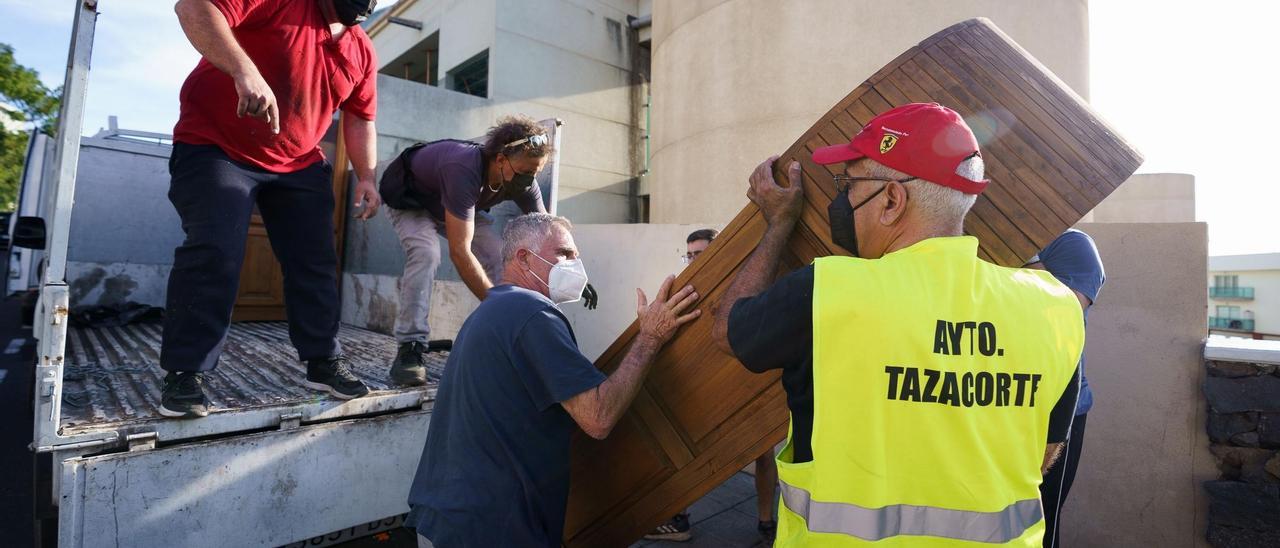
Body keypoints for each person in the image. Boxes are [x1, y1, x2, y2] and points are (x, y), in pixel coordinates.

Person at [710, 103, 1085, 546]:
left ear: (891, 200)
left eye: (847, 185)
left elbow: (727, 329)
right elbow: (1042, 454)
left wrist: (777, 224)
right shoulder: (1053, 306)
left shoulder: (828, 290)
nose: (839, 201)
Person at [405, 213, 700, 547]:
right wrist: (650, 338)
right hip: (490, 530)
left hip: (449, 520)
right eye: (565, 254)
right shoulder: (533, 314)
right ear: (524, 258)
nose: (577, 264)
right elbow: (598, 416)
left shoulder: (492, 310)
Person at [160, 0, 382, 418]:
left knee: (314, 262)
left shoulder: (362, 49)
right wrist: (245, 70)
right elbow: (192, 7)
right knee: (216, 253)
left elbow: (360, 116)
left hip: (298, 161)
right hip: (216, 145)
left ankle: (322, 362)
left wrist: (367, 176)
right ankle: (185, 372)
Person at [379, 115, 597, 387]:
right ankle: (410, 346)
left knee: (497, 255)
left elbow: (548, 232)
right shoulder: (463, 167)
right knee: (426, 253)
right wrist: (500, 306)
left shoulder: (524, 182)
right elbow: (460, 252)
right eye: (525, 172)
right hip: (413, 201)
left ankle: (512, 340)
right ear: (501, 159)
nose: (529, 180)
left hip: (458, 206)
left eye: (536, 173)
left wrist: (575, 271)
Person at [646, 228, 778, 545]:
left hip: (746, 376)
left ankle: (766, 522)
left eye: (700, 254)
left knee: (762, 451)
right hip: (704, 383)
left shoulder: (746, 283)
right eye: (689, 255)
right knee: (686, 449)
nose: (693, 261)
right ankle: (679, 519)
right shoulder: (684, 287)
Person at [1026, 230, 1104, 548]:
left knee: (1041, 520)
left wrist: (1024, 254)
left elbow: (1063, 310)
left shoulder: (1072, 244)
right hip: (991, 399)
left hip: (1057, 408)